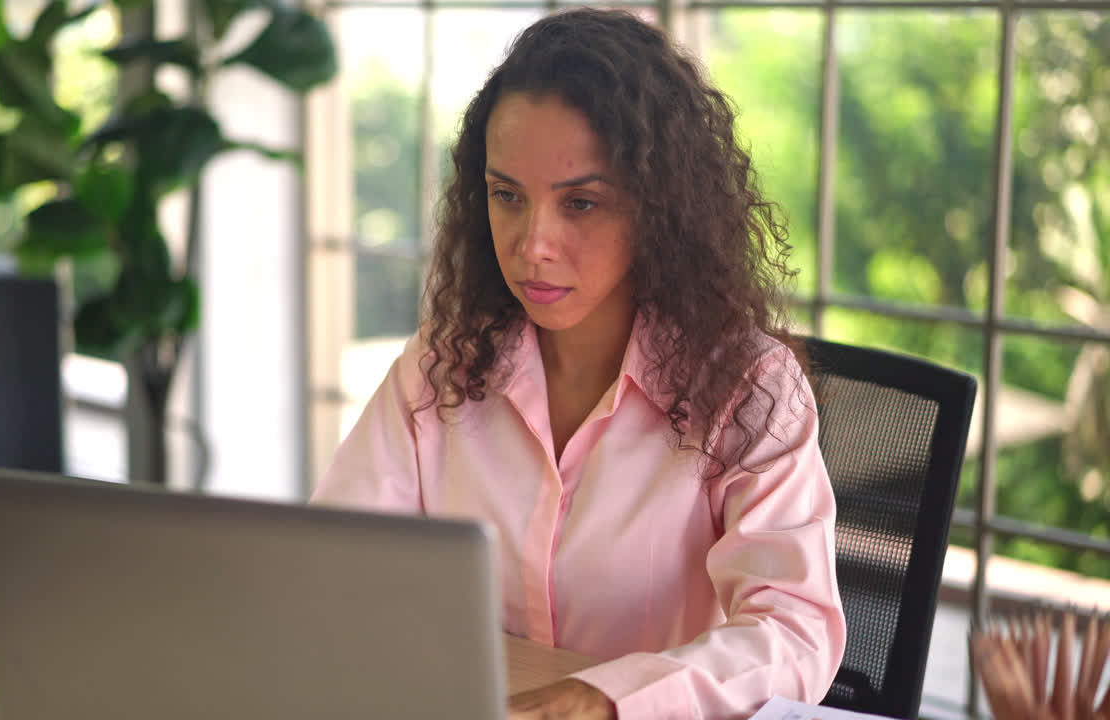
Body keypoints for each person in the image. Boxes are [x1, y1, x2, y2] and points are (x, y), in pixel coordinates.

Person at [312, 8, 846, 720]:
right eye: (507, 196)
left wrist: (607, 697)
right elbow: (330, 571)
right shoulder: (443, 366)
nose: (534, 244)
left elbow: (796, 631)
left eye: (582, 203)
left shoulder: (747, 389)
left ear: (659, 208)